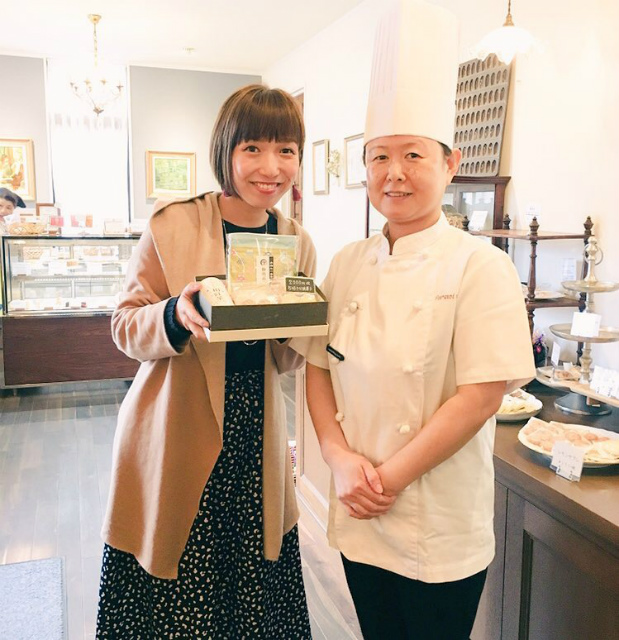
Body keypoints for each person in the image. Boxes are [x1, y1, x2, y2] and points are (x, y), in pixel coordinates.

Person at [294, 2, 535, 639]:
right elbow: (317, 367)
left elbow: (481, 396)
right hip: (358, 507)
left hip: (437, 522)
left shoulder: (481, 265)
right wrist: (338, 459)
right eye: (379, 157)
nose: (393, 173)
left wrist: (386, 479)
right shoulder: (347, 262)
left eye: (413, 155)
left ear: (450, 164)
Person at [96, 84, 314, 639]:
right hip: (175, 427)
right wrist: (174, 314)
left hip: (256, 433)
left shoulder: (295, 241)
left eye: (286, 150)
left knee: (250, 581)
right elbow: (124, 325)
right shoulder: (173, 225)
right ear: (226, 150)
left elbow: (288, 359)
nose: (271, 167)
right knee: (178, 571)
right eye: (253, 148)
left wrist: (296, 325)